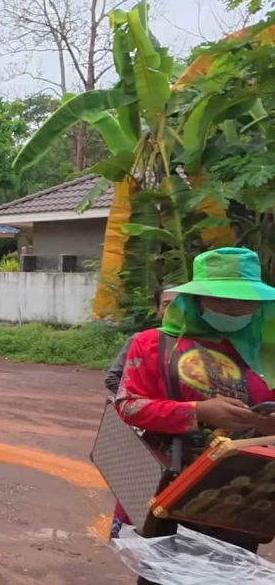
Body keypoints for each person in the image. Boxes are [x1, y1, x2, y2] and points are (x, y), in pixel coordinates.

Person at [113, 247, 275, 585]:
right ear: (197, 299)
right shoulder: (153, 344)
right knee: (162, 579)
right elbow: (128, 406)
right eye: (222, 299)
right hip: (171, 490)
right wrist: (198, 411)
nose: (235, 309)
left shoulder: (267, 352)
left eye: (246, 301)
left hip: (241, 496)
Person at [104, 285, 179, 394]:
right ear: (158, 310)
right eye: (166, 304)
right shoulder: (141, 340)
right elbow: (113, 378)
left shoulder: (200, 342)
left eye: (178, 304)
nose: (172, 309)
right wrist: (139, 400)